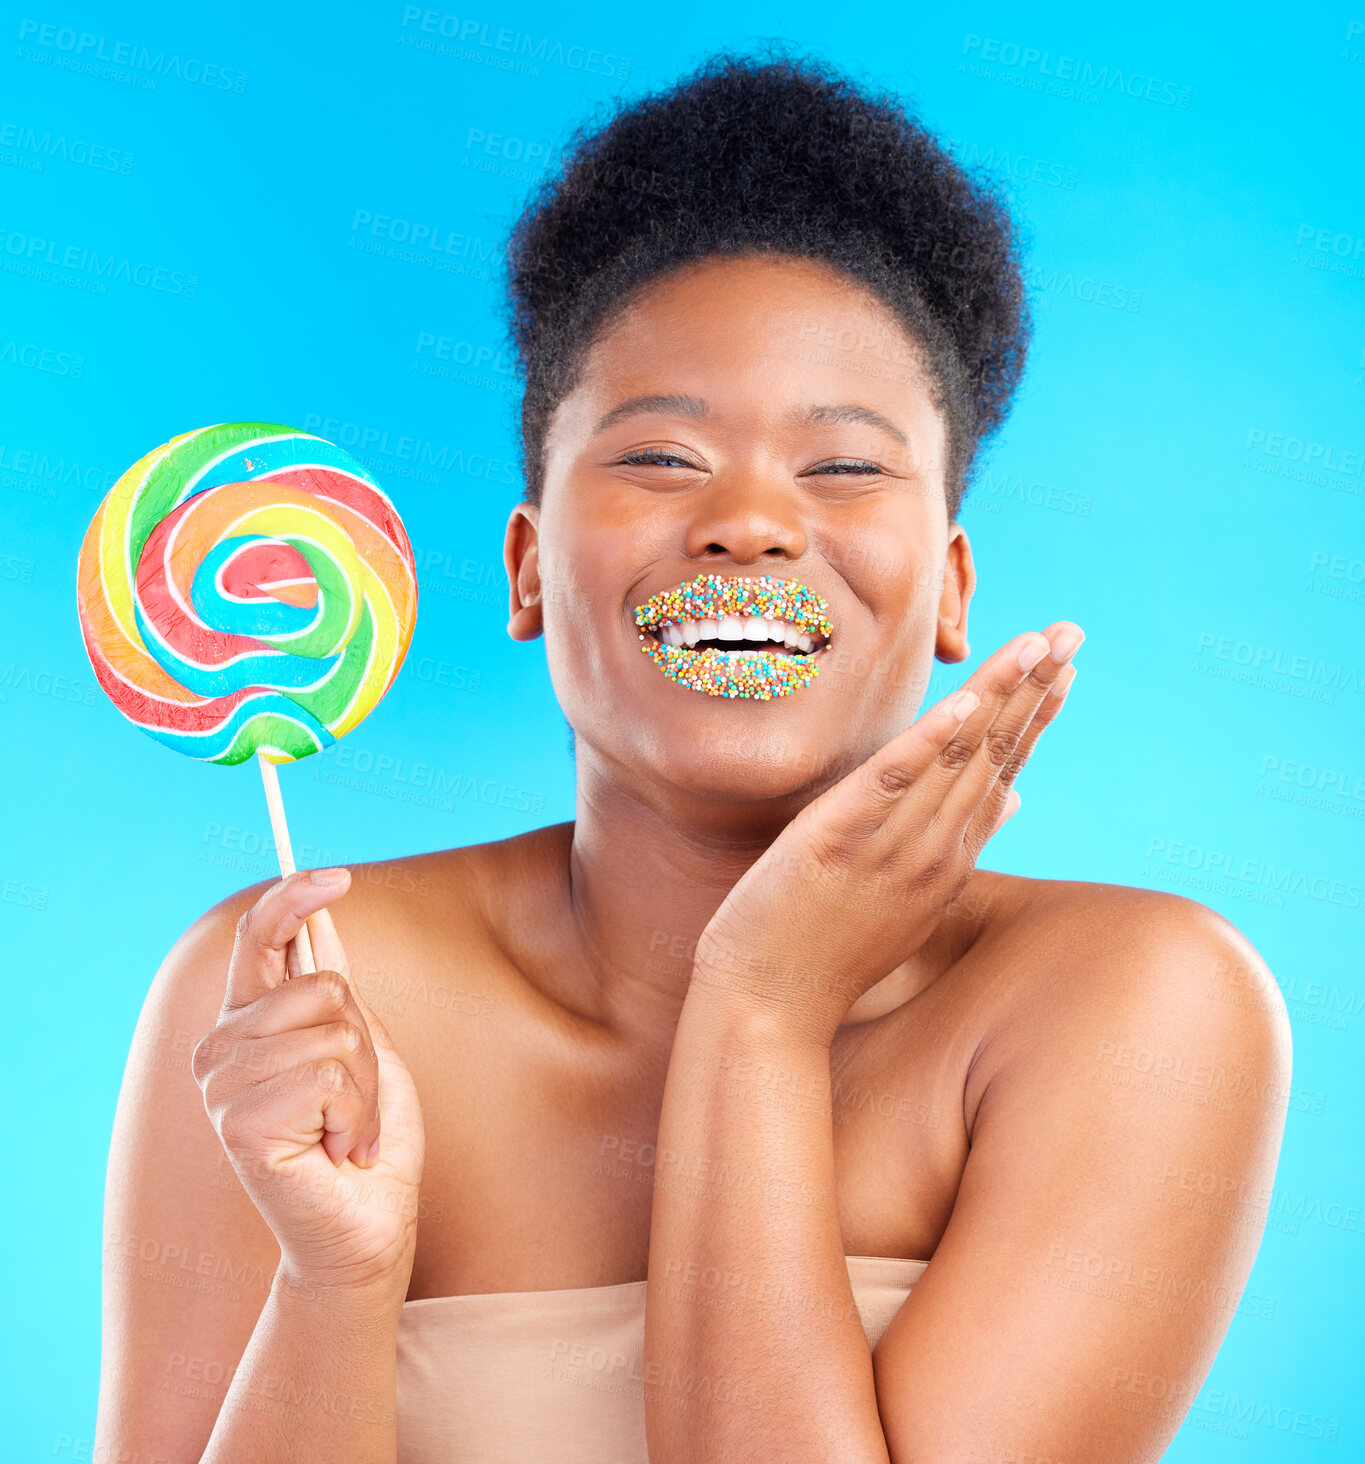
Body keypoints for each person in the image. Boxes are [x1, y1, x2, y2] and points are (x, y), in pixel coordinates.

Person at [96, 47, 1290, 1464]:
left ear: (953, 588)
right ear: (530, 570)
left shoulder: (1133, 1009)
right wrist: (336, 1279)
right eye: (660, 458)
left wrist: (762, 1006)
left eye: (842, 467)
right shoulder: (292, 997)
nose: (748, 526)